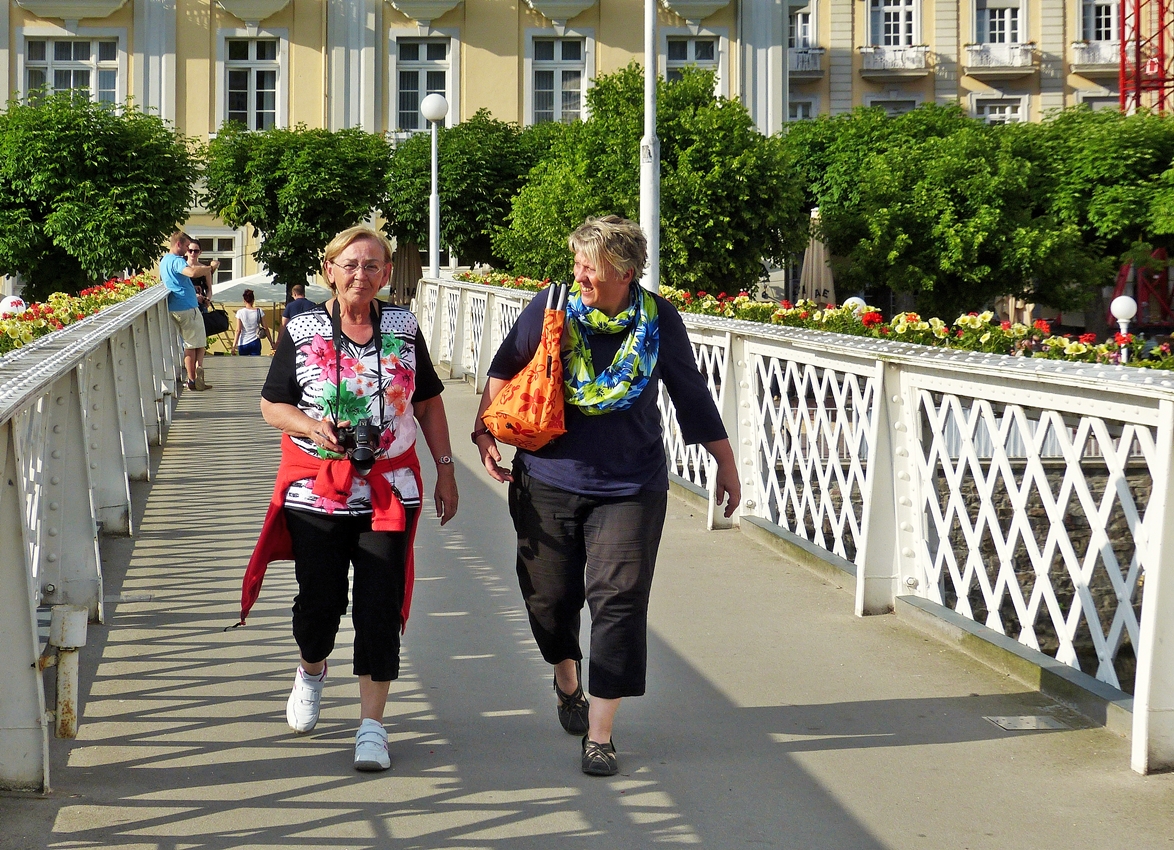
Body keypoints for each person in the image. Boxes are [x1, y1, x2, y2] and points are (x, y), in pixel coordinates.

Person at [473, 215, 740, 777]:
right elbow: (503, 371)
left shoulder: (658, 318)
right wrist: (485, 432)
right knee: (549, 599)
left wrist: (725, 460)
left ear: (627, 272)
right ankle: (566, 677)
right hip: (547, 478)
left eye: (589, 268)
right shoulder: (552, 305)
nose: (580, 276)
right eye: (577, 264)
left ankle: (601, 732)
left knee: (619, 601)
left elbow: (689, 390)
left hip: (631, 486)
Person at [249, 225, 458, 772]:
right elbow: (272, 406)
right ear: (329, 270)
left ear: (386, 275)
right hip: (318, 486)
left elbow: (431, 403)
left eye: (372, 265)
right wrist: (313, 425)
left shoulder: (404, 327)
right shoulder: (301, 328)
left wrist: (445, 471)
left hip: (390, 488)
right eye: (350, 264)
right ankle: (311, 668)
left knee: (378, 605)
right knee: (320, 601)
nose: (360, 275)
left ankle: (372, 726)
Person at [161, 232, 218, 391]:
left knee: (191, 343)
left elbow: (175, 281)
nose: (188, 251)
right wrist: (209, 268)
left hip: (174, 307)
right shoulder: (177, 260)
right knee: (192, 345)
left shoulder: (164, 260)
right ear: (178, 244)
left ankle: (193, 378)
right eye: (187, 247)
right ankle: (193, 381)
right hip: (186, 307)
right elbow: (191, 272)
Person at [233, 289, 270, 356]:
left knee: (243, 364)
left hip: (243, 342)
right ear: (253, 300)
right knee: (255, 363)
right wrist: (271, 342)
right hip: (255, 341)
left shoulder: (240, 312)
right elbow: (266, 328)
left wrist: (234, 346)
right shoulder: (259, 311)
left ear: (244, 301)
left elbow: (238, 330)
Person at [187, 242, 212, 314]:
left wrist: (207, 299)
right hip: (186, 303)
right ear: (187, 251)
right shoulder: (182, 267)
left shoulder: (204, 269)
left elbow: (209, 290)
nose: (192, 253)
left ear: (200, 252)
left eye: (196, 251)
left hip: (201, 304)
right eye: (190, 250)